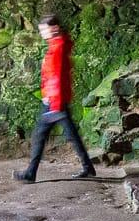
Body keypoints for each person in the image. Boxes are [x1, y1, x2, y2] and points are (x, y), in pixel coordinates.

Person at [14, 14, 97, 182]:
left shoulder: (57, 47)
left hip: (54, 102)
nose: (42, 33)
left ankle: (31, 173)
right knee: (69, 135)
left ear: (54, 28)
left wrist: (55, 105)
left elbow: (57, 77)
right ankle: (88, 168)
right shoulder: (57, 45)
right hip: (55, 101)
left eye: (44, 29)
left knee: (41, 136)